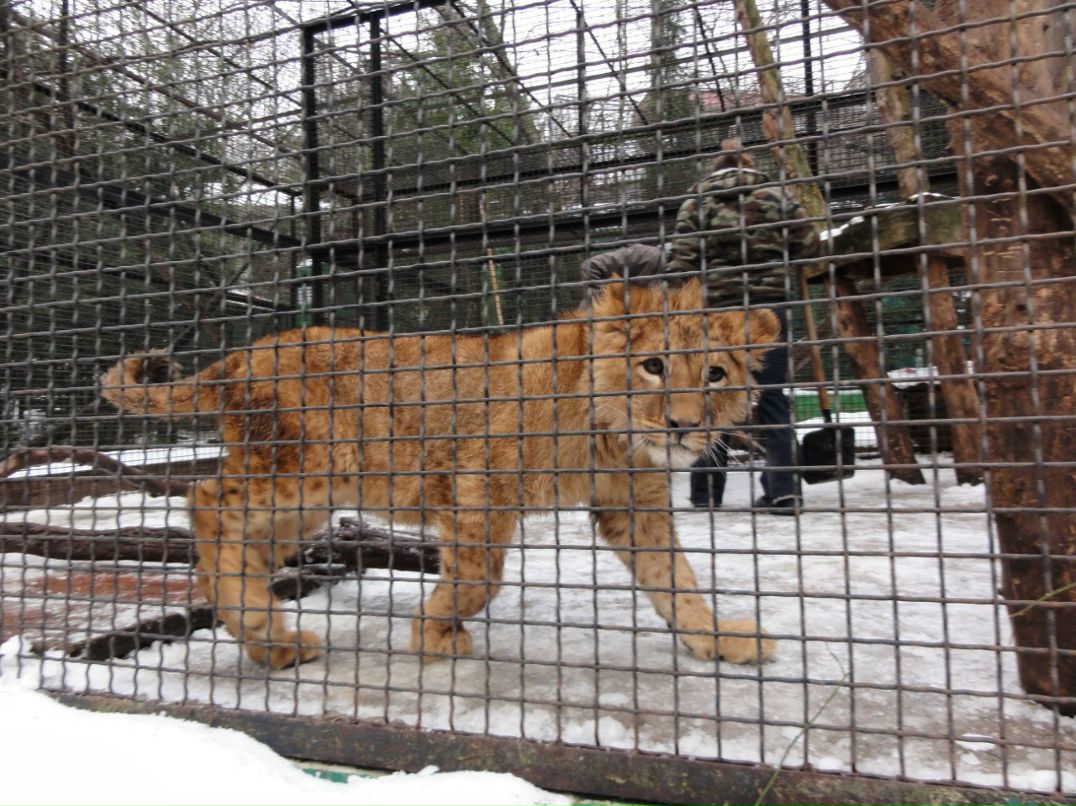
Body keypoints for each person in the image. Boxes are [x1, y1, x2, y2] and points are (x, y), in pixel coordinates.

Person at [579, 141, 820, 515]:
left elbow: (682, 263)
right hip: (765, 314)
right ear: (749, 164)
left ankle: (706, 494)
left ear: (715, 168)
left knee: (705, 397)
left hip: (714, 316)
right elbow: (809, 245)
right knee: (772, 397)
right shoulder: (779, 197)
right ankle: (784, 490)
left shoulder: (698, 201)